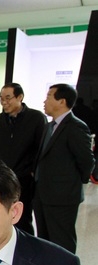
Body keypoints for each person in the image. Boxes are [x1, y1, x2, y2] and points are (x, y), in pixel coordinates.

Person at [34, 83, 95, 254]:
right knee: (44, 239)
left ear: (62, 101)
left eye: (49, 96)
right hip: (42, 195)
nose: (44, 101)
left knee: (62, 241)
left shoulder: (76, 126)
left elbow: (87, 161)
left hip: (63, 197)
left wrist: (72, 183)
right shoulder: (48, 127)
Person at [0, 82, 47, 235]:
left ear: (20, 97)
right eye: (1, 99)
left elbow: (41, 149)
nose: (4, 102)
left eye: (8, 98)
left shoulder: (36, 118)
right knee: (3, 214)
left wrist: (32, 171)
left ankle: (26, 249)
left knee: (23, 217)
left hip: (25, 179)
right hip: (2, 178)